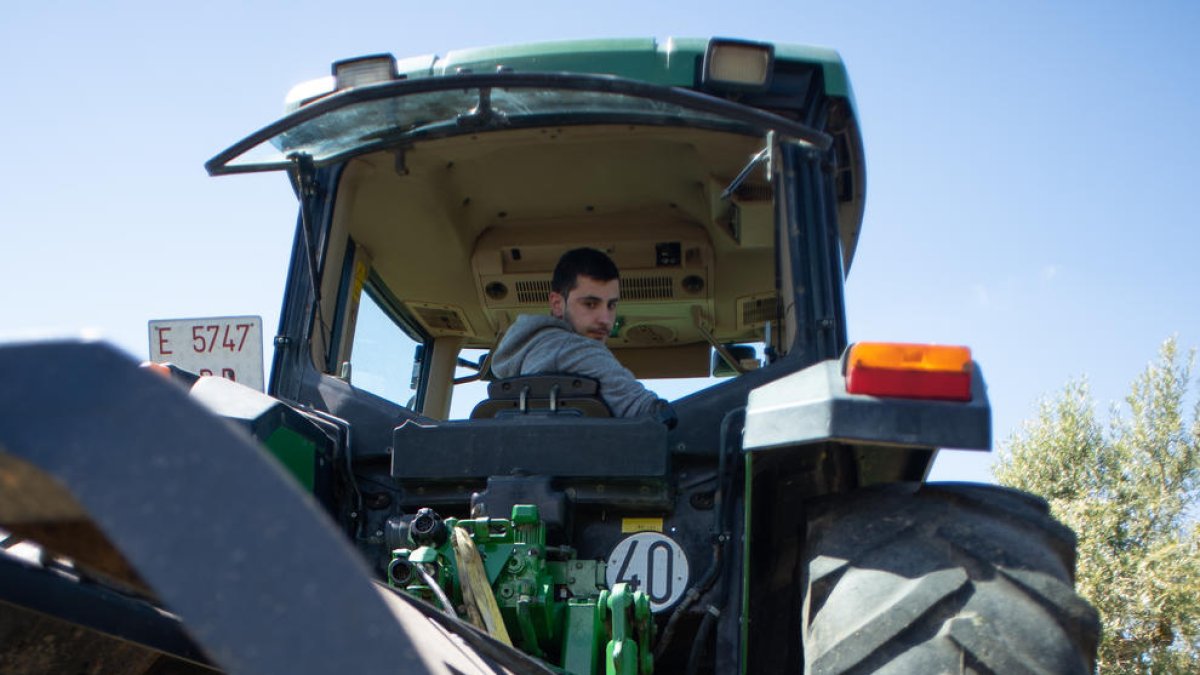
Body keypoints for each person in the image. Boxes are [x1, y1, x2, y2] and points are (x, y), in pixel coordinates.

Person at [490, 247, 667, 418]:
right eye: (590, 304)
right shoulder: (570, 349)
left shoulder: (532, 352)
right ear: (557, 304)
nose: (605, 319)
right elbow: (645, 410)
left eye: (611, 305)